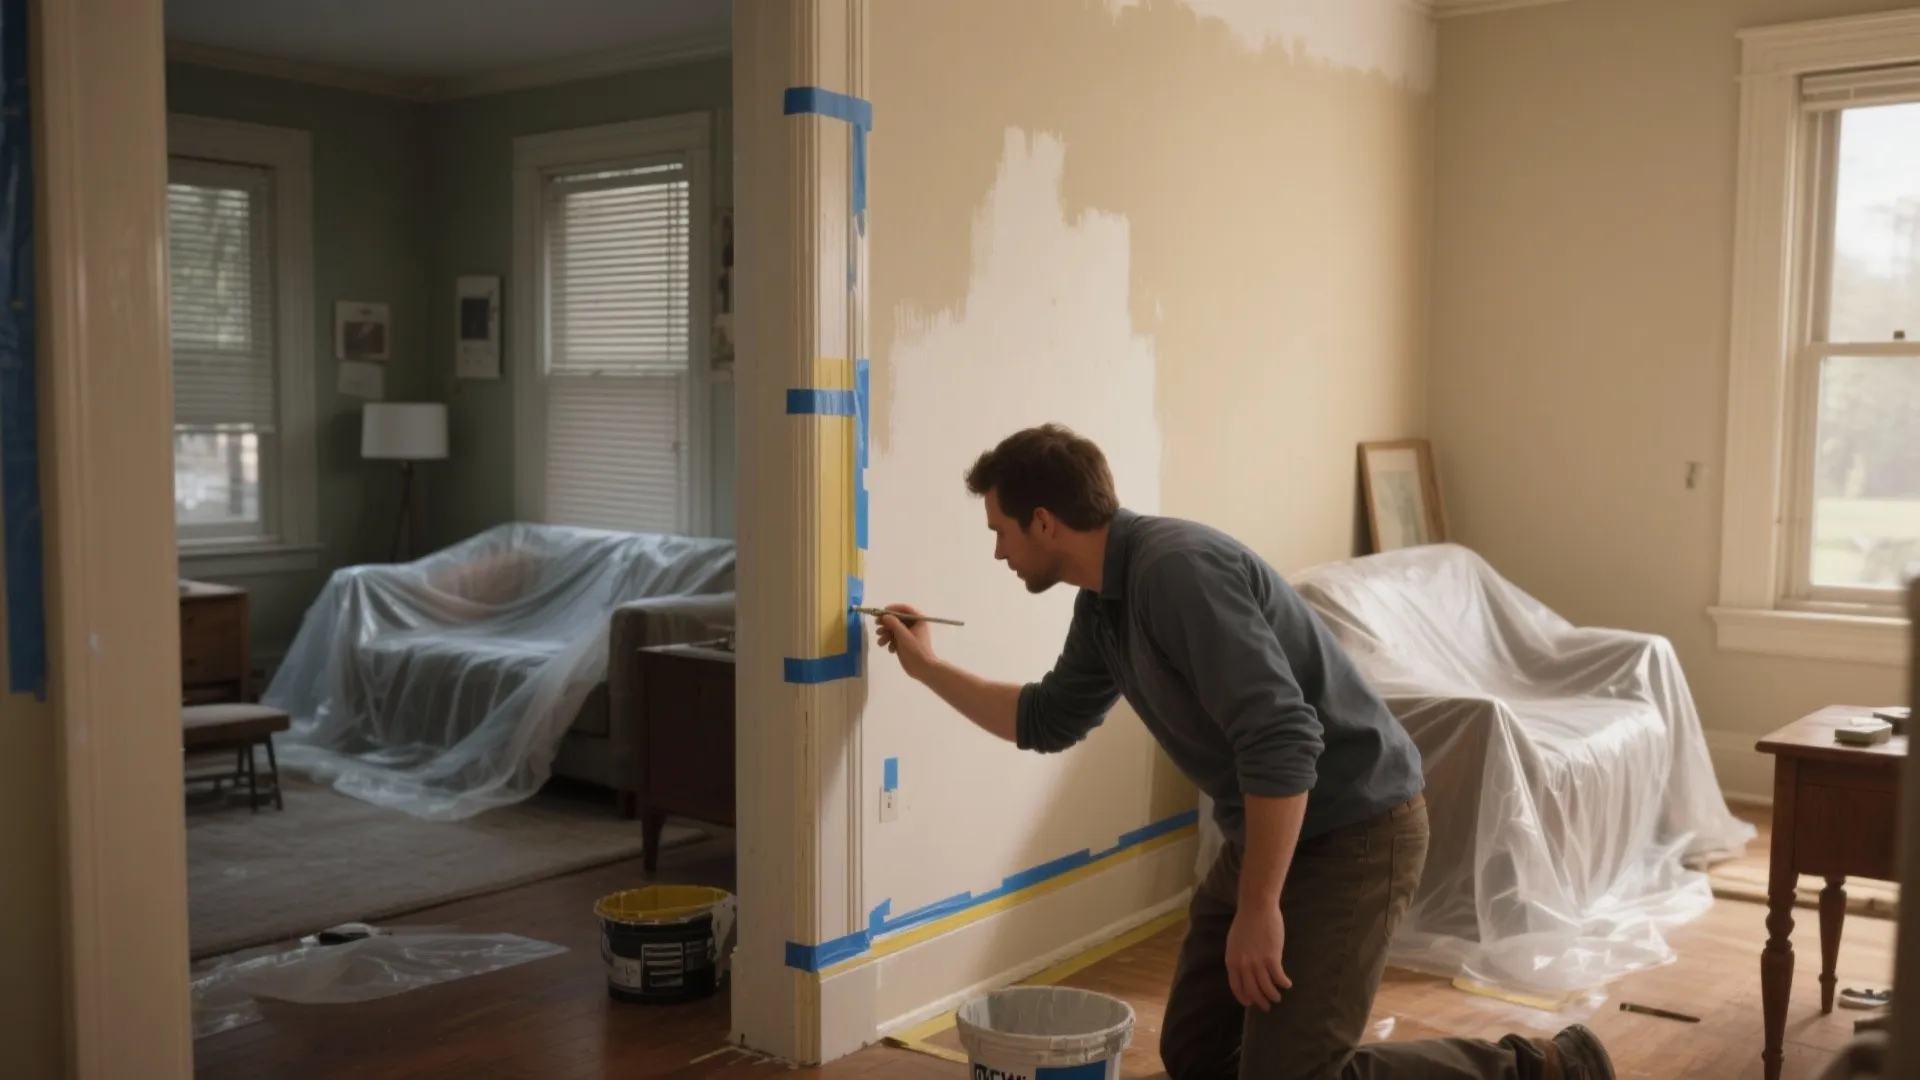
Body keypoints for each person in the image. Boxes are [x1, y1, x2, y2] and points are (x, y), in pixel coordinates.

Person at [874, 424, 1615, 1080]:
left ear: (1045, 522)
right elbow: (1045, 718)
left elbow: (1285, 736)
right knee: (1197, 1054)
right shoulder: (1102, 604)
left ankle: (1538, 1067)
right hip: (1270, 829)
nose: (998, 550)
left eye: (1000, 530)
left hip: (1356, 830)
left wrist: (1259, 908)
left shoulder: (1175, 571)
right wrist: (927, 667)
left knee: (1292, 1075)